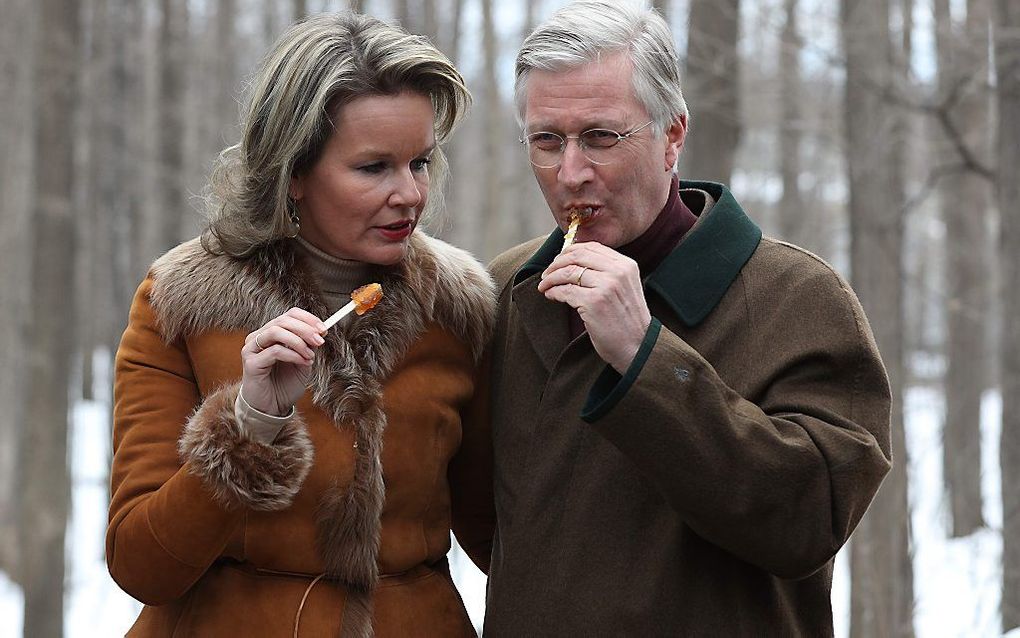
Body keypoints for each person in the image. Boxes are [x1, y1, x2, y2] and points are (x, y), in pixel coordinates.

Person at [472, 1, 893, 635]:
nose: (571, 173)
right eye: (547, 140)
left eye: (601, 137)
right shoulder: (509, 290)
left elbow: (808, 523)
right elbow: (491, 524)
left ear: (673, 136)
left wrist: (646, 358)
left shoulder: (799, 299)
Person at [107, 12, 495, 637]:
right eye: (374, 168)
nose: (410, 194)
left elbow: (500, 536)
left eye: (420, 162)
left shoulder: (457, 309)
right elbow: (140, 565)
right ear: (293, 174)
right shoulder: (182, 304)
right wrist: (251, 425)